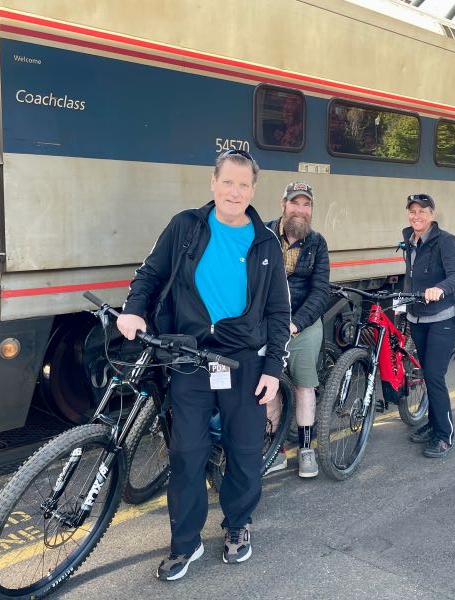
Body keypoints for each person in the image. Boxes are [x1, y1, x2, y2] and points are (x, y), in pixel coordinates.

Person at [116, 149, 290, 581]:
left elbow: (278, 312)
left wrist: (272, 368)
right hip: (189, 357)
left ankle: (237, 525)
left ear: (253, 190)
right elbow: (149, 274)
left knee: (244, 450)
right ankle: (185, 543)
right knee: (186, 452)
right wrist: (133, 310)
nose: (235, 192)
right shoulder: (185, 226)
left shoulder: (266, 242)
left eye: (244, 185)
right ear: (213, 183)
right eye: (227, 182)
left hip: (243, 360)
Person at [265, 182, 330, 477]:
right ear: (283, 205)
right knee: (270, 385)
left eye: (307, 205)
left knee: (305, 385)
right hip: (268, 324)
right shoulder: (263, 234)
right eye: (295, 203)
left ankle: (305, 449)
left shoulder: (317, 243)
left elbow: (320, 293)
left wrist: (296, 323)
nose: (301, 210)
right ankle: (275, 451)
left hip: (302, 324)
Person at [402, 193, 455, 459]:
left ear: (432, 214)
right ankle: (433, 422)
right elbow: (411, 276)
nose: (417, 216)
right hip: (417, 317)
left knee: (435, 377)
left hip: (442, 318)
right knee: (426, 374)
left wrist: (438, 289)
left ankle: (444, 435)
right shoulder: (409, 238)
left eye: (422, 211)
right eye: (413, 211)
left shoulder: (445, 240)